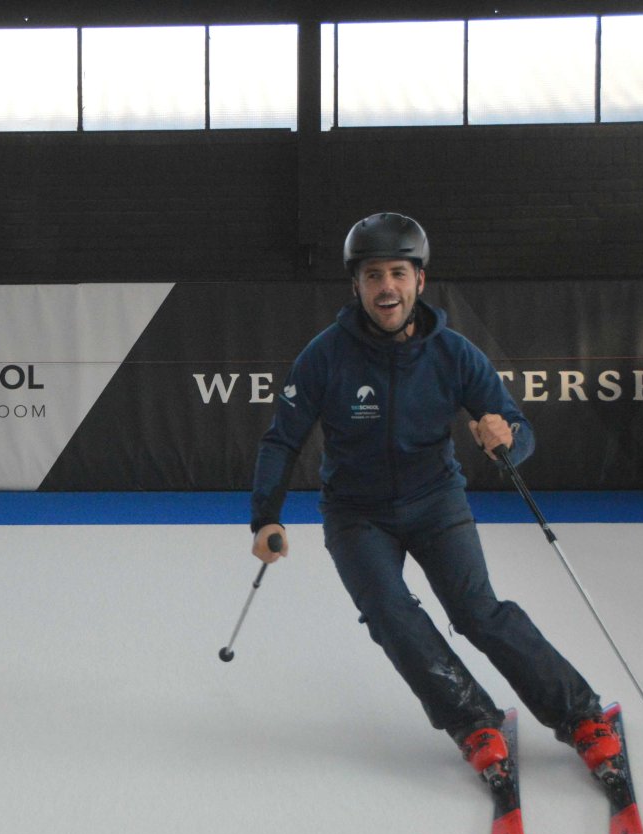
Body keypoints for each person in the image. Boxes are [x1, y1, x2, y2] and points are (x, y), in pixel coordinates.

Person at [248, 211, 620, 777]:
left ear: (420, 280)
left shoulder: (454, 353)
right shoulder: (325, 356)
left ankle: (581, 715)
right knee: (389, 613)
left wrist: (507, 441)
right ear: (356, 286)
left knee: (478, 613)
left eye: (398, 272)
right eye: (373, 275)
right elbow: (282, 440)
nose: (387, 287)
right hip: (356, 513)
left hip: (436, 502)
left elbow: (519, 431)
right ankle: (472, 721)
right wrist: (265, 518)